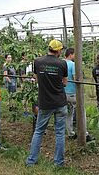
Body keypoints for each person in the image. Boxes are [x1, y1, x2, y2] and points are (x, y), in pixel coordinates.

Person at [26, 39, 68, 167]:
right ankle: (58, 163)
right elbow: (65, 83)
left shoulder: (38, 62)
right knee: (60, 133)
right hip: (60, 102)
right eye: (61, 49)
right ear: (58, 50)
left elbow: (36, 78)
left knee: (38, 131)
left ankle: (31, 161)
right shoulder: (62, 64)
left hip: (45, 102)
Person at [64, 48, 94, 141]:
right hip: (73, 92)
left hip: (64, 93)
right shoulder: (73, 64)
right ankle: (84, 133)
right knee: (81, 111)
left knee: (68, 112)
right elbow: (75, 78)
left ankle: (70, 133)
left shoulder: (61, 63)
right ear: (71, 54)